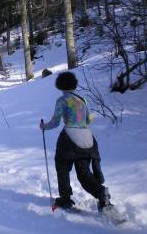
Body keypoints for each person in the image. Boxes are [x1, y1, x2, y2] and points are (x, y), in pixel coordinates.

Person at [40, 71, 112, 212]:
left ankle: (65, 198)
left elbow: (55, 122)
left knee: (62, 166)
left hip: (69, 137)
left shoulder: (62, 100)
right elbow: (89, 119)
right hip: (87, 139)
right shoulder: (82, 99)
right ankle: (101, 193)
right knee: (84, 173)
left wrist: (43, 126)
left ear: (60, 86)